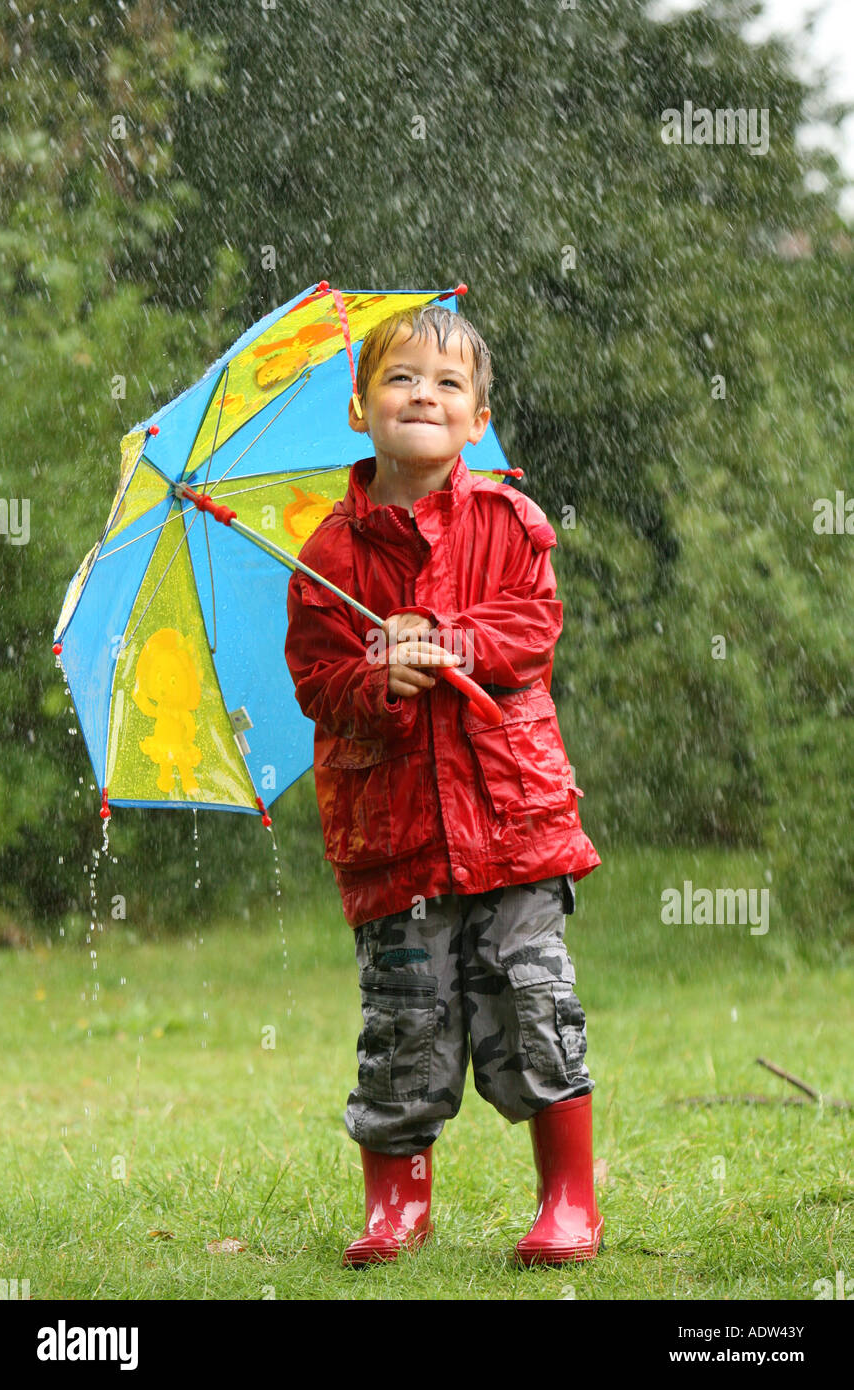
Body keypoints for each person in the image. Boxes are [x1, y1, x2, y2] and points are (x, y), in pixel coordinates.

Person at [284, 301, 603, 1267]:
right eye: (399, 379)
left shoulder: (510, 523)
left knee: (534, 1006)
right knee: (403, 1021)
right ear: (359, 409)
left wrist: (454, 641)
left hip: (511, 823)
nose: (422, 395)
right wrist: (378, 677)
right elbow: (316, 684)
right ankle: (397, 1206)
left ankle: (568, 1201)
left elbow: (533, 633)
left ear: (475, 421)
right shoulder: (326, 558)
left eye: (447, 385)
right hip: (395, 837)